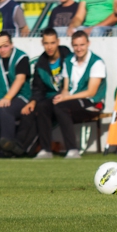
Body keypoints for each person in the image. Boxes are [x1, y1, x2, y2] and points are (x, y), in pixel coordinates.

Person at [52, 31, 106, 158]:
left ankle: (72, 150)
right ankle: (43, 149)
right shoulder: (68, 61)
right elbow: (65, 87)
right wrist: (62, 95)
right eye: (75, 45)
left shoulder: (97, 62)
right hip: (72, 99)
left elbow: (91, 92)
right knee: (44, 106)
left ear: (88, 43)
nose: (79, 48)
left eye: (82, 45)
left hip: (92, 102)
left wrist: (65, 98)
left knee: (61, 107)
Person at [22, 28, 72, 159]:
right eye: (46, 43)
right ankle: (45, 150)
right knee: (38, 107)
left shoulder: (68, 57)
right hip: (50, 99)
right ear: (42, 43)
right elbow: (38, 88)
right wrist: (32, 101)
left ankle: (72, 150)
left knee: (56, 106)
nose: (49, 47)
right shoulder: (40, 63)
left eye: (52, 43)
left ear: (58, 42)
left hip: (69, 96)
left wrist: (64, 94)